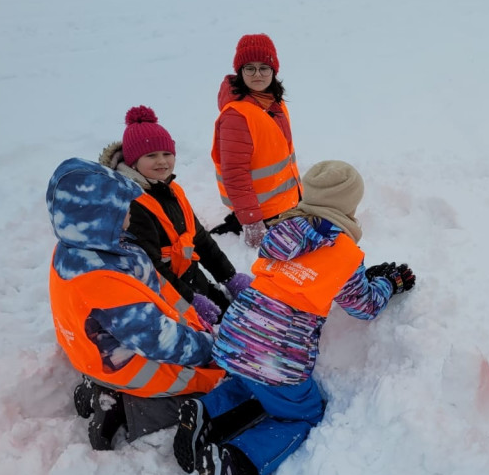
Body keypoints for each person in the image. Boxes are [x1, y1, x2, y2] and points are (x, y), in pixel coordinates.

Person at [172, 161, 417, 475]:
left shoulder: (283, 232)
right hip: (279, 353)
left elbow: (301, 273)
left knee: (249, 379)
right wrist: (388, 283)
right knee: (301, 412)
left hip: (238, 330)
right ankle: (234, 461)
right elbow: (364, 306)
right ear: (348, 205)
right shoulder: (345, 252)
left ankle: (205, 410)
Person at [46, 158, 225, 451]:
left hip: (98, 352)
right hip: (127, 365)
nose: (132, 211)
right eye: (124, 208)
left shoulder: (85, 246)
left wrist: (193, 312)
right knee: (212, 382)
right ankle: (134, 410)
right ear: (100, 216)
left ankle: (104, 390)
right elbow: (159, 341)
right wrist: (212, 349)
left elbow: (155, 286)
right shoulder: (100, 281)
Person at [99, 105, 254, 330]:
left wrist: (229, 277)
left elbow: (199, 239)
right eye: (151, 155)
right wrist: (188, 302)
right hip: (164, 298)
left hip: (191, 281)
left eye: (167, 154)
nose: (162, 161)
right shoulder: (133, 206)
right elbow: (149, 269)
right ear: (133, 162)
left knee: (234, 317)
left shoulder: (171, 190)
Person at [212, 33, 303, 249]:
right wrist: (252, 221)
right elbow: (235, 175)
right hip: (264, 216)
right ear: (240, 72)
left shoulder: (273, 104)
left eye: (264, 67)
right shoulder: (237, 116)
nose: (257, 74)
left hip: (286, 207)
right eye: (249, 68)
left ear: (274, 70)